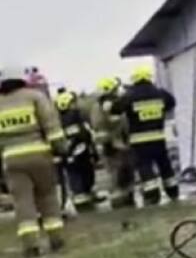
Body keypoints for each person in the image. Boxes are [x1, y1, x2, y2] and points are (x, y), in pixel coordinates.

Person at [0, 66, 67, 258]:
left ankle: (31, 245)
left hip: (11, 159)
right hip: (39, 155)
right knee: (47, 196)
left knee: (23, 202)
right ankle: (56, 238)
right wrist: (61, 148)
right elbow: (52, 126)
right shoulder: (35, 97)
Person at [113, 64, 179, 205]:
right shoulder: (160, 93)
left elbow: (115, 109)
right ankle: (173, 191)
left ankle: (152, 196)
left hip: (139, 140)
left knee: (145, 166)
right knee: (165, 165)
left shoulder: (130, 96)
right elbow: (172, 102)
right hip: (158, 137)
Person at [93, 76, 136, 209]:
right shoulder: (107, 105)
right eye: (115, 89)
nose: (117, 91)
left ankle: (125, 197)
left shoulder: (97, 106)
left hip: (109, 144)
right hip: (114, 144)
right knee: (118, 174)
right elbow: (119, 123)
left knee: (119, 173)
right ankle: (120, 200)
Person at [55, 91, 99, 212]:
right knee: (84, 174)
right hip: (81, 151)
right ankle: (84, 196)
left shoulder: (58, 120)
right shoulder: (77, 116)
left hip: (68, 153)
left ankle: (81, 196)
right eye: (73, 102)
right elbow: (85, 135)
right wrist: (93, 151)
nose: (76, 104)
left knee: (75, 176)